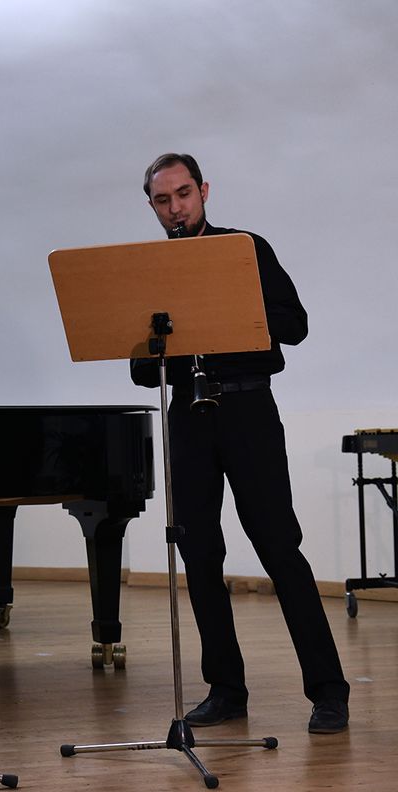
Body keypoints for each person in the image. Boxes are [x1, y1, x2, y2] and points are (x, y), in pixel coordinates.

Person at [131, 153, 349, 734]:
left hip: (248, 409)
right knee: (199, 553)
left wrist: (228, 309)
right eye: (162, 200)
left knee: (280, 548)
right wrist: (162, 337)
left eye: (183, 194)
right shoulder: (148, 270)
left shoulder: (245, 248)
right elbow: (141, 371)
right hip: (188, 416)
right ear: (152, 205)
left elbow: (295, 325)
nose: (175, 208)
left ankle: (329, 691)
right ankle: (226, 690)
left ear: (204, 191)